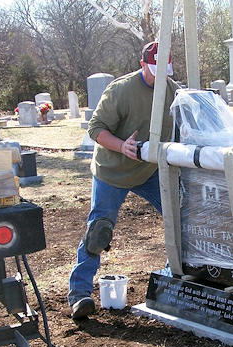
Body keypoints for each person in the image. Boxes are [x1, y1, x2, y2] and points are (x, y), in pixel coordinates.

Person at [68, 41, 179, 319]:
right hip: (113, 170)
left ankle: (169, 281)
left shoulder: (173, 91)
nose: (160, 75)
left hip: (148, 170)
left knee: (179, 220)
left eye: (164, 69)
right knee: (98, 231)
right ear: (142, 65)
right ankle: (79, 294)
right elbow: (95, 129)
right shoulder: (121, 90)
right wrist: (122, 147)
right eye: (154, 69)